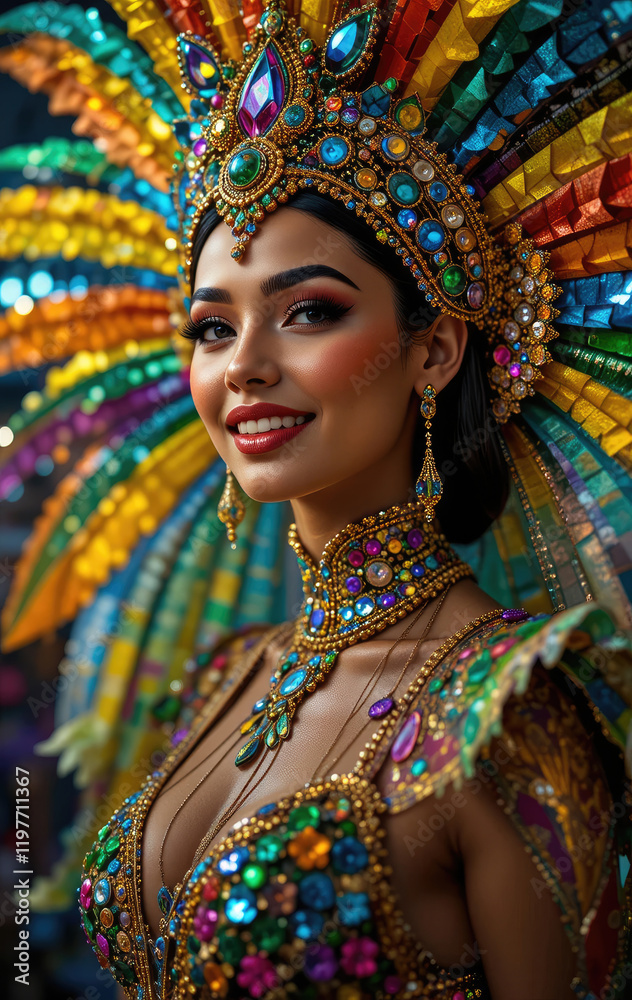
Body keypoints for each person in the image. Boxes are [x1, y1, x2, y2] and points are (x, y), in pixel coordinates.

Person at [1, 1, 631, 999]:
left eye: (308, 312)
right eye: (211, 327)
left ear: (431, 349)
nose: (244, 366)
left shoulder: (505, 708)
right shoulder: (217, 679)